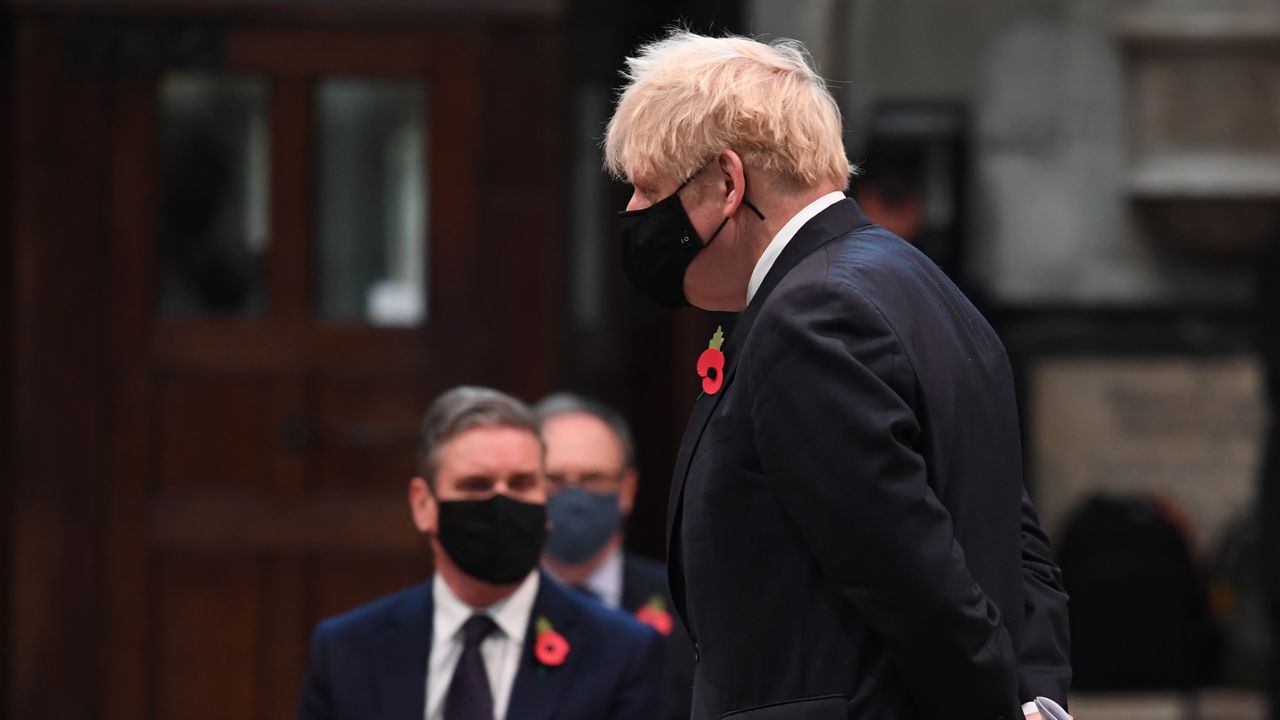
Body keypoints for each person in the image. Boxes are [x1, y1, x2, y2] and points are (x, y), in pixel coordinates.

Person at [603, 30, 1070, 720]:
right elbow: (1017, 545)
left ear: (729, 183)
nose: (635, 214)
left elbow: (915, 578)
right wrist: (1037, 699)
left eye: (649, 187)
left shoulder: (811, 317)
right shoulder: (920, 286)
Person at [295, 386, 663, 720]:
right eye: (476, 485)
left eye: (521, 484)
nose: (501, 503)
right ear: (423, 504)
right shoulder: (348, 650)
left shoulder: (618, 652)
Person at [534, 392, 695, 720]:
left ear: (627, 490)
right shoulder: (492, 608)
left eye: (593, 479)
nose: (574, 496)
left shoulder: (688, 605)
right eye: (553, 480)